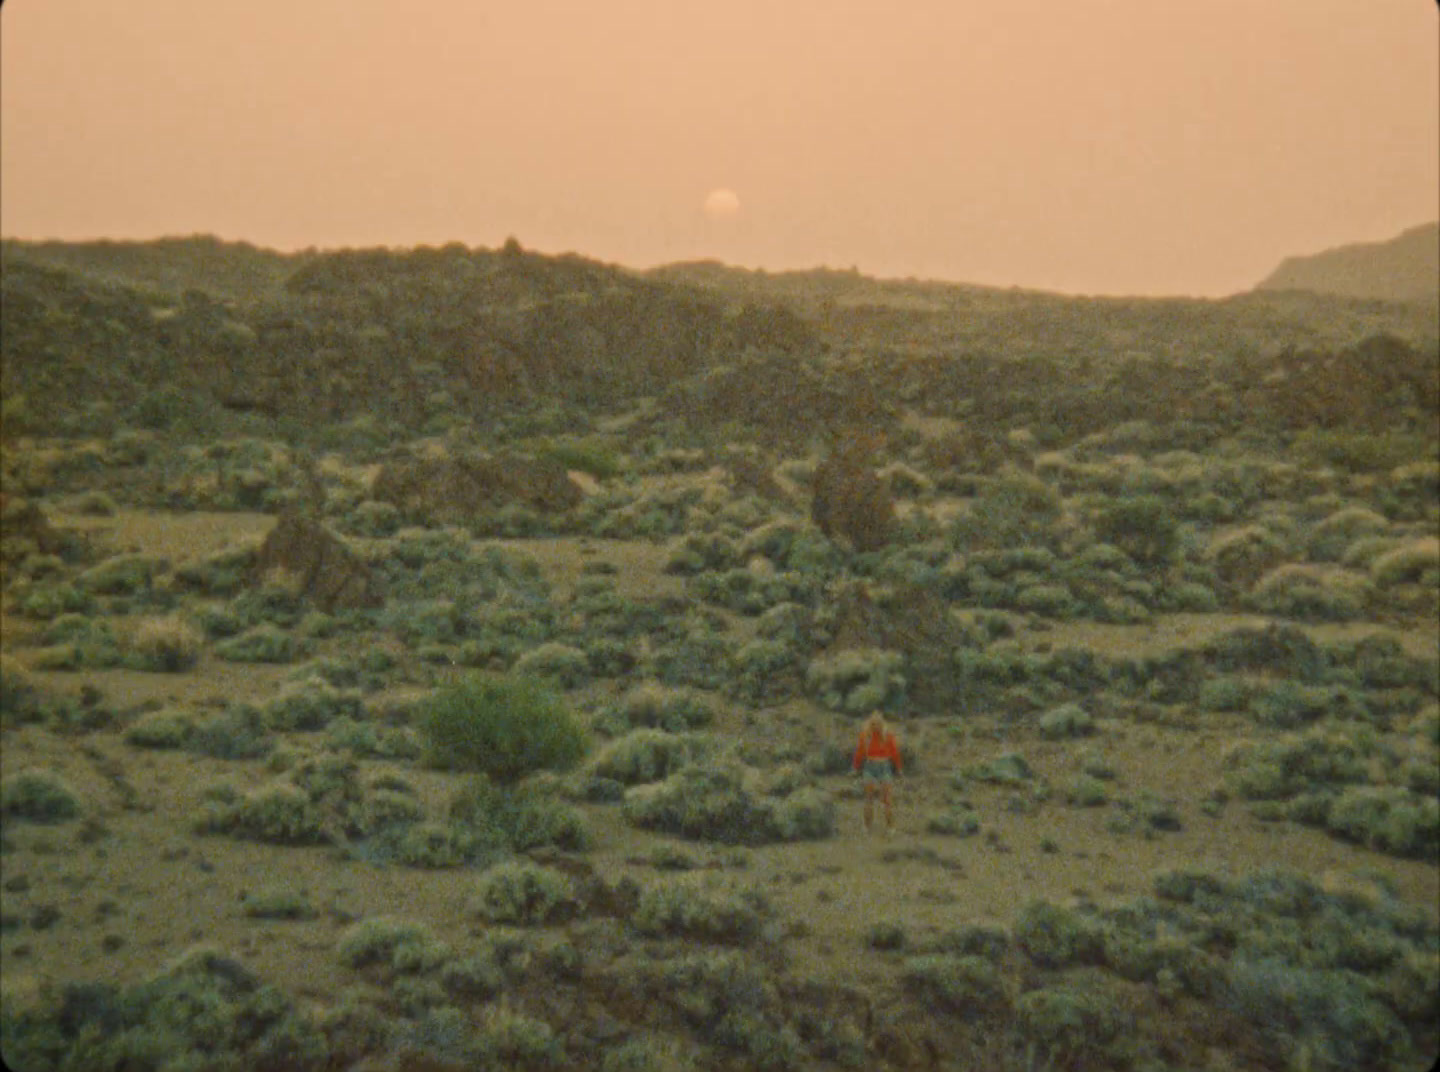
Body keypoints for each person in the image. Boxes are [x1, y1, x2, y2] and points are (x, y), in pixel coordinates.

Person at [852, 711, 902, 834]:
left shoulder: (888, 736)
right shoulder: (865, 736)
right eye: (873, 724)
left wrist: (899, 768)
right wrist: (856, 767)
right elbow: (860, 752)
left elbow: (895, 752)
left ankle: (891, 827)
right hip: (870, 766)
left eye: (878, 724)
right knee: (869, 798)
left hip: (884, 766)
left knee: (887, 799)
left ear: (882, 724)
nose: (876, 727)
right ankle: (867, 826)